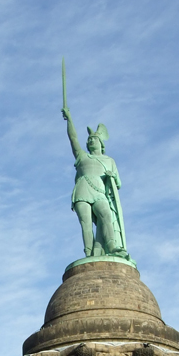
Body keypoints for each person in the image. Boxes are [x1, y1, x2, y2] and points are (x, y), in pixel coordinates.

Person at [62, 106, 129, 259]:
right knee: (85, 223)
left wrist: (111, 176)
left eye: (94, 139)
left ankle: (111, 245)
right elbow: (73, 138)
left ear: (101, 143)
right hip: (82, 190)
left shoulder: (109, 161)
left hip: (100, 192)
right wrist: (69, 119)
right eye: (89, 139)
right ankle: (89, 253)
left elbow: (117, 183)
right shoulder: (82, 157)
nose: (91, 140)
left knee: (106, 215)